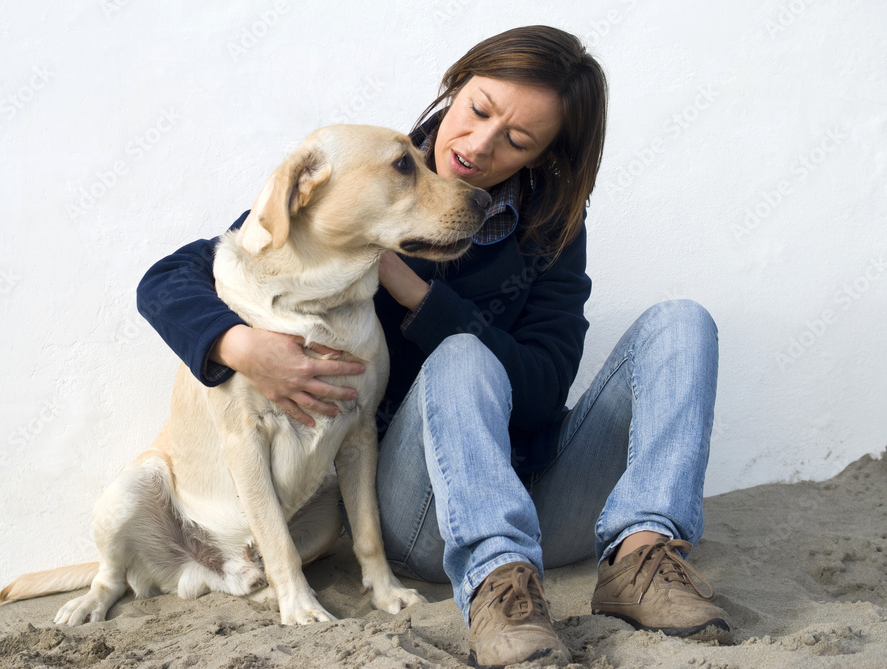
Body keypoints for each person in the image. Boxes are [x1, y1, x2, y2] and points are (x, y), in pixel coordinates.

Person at [137, 25, 729, 669]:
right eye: (477, 111)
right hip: (426, 511)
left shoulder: (551, 224)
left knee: (682, 322)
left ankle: (645, 558)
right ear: (456, 87)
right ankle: (495, 583)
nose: (478, 146)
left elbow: (543, 388)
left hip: (544, 498)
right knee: (463, 355)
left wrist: (416, 293)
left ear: (543, 156)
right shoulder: (369, 173)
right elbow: (175, 276)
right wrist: (239, 345)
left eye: (518, 140)